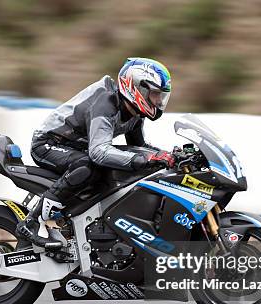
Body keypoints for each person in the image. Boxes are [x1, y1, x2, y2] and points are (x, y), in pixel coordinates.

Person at [16, 57, 175, 249]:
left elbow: (139, 147)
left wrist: (170, 155)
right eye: (154, 94)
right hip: (49, 143)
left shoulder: (134, 112)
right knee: (88, 166)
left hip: (77, 148)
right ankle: (31, 222)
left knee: (117, 170)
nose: (158, 101)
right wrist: (146, 158)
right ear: (137, 88)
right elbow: (98, 152)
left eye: (161, 96)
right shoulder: (106, 102)